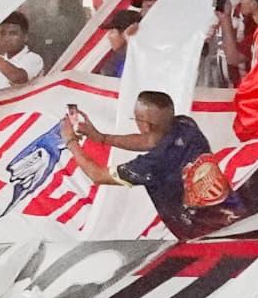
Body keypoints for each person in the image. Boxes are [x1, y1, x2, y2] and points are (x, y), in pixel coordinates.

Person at [61, 89, 215, 235]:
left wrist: (71, 141)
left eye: (136, 118)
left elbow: (97, 175)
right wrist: (102, 138)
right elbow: (150, 140)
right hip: (228, 211)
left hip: (201, 233)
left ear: (145, 125)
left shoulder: (153, 165)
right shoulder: (186, 125)